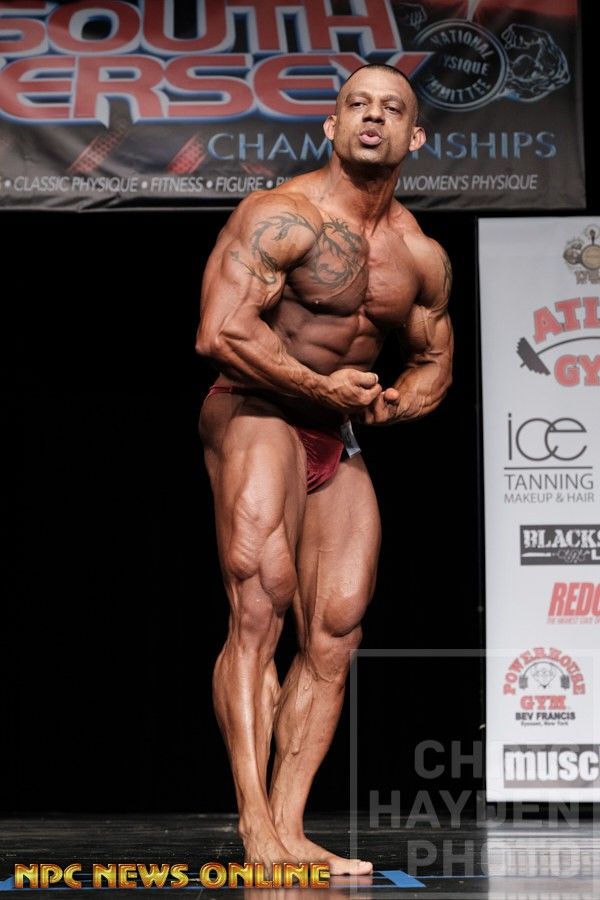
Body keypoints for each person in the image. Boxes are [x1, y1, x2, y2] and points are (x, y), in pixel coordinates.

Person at [195, 63, 453, 875]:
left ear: (415, 136)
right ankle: (254, 824)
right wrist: (319, 388)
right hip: (256, 408)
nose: (373, 116)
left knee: (337, 627)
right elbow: (221, 331)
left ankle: (291, 824)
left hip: (335, 431)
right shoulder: (282, 216)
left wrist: (394, 406)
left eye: (391, 108)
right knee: (259, 605)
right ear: (330, 126)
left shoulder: (420, 253)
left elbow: (434, 361)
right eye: (356, 104)